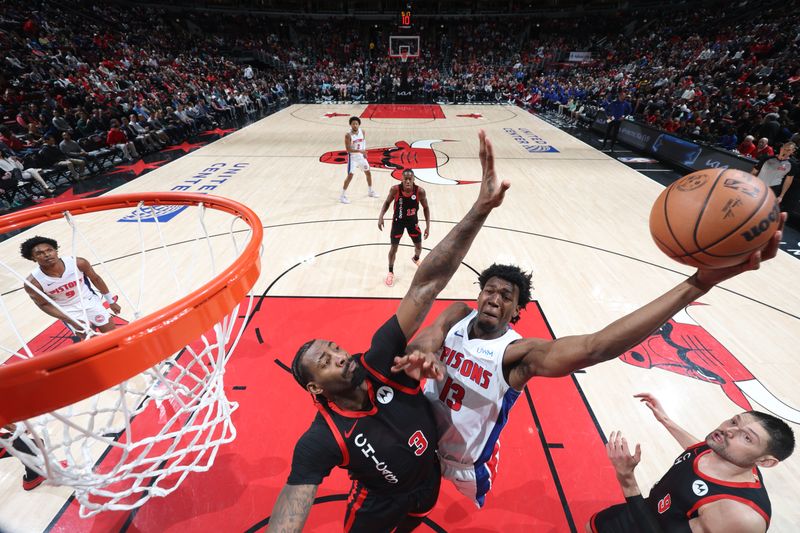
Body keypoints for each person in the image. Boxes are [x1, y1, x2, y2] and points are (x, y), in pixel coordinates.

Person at [392, 213, 785, 509]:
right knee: (405, 498)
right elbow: (430, 333)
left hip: (465, 461)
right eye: (489, 290)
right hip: (420, 436)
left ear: (515, 312)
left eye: (506, 296)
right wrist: (425, 349)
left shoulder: (520, 355)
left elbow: (598, 346)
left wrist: (695, 284)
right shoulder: (457, 315)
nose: (494, 298)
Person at [268, 131, 509, 532]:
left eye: (335, 348)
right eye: (325, 361)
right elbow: (294, 500)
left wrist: (480, 209)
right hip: (378, 504)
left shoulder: (380, 360)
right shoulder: (322, 437)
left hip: (428, 484)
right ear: (315, 388)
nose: (341, 356)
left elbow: (426, 286)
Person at [587, 393, 795, 533]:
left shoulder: (739, 514)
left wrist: (627, 480)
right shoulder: (724, 451)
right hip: (643, 511)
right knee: (590, 526)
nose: (728, 431)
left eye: (747, 437)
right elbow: (696, 449)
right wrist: (666, 421)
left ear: (765, 462)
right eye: (734, 421)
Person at [21, 236, 122, 340]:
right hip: (67, 310)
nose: (46, 254)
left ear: (56, 251)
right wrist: (70, 319)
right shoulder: (33, 283)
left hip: (89, 300)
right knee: (90, 340)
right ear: (32, 258)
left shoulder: (78, 263)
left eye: (49, 250)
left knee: (112, 334)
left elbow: (96, 279)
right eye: (39, 253)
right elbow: (44, 304)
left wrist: (111, 301)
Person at [377, 169, 431, 288]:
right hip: (398, 222)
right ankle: (390, 272)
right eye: (405, 178)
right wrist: (381, 216)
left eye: (409, 179)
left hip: (412, 222)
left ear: (413, 179)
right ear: (401, 179)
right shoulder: (395, 190)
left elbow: (426, 208)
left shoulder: (420, 191)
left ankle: (415, 258)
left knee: (419, 247)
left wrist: (428, 225)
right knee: (394, 248)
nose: (407, 181)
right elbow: (387, 202)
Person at [340, 116, 377, 204]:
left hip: (360, 156)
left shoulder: (362, 131)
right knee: (350, 176)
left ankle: (370, 191)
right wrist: (360, 151)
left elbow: (363, 142)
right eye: (353, 124)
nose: (355, 125)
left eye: (356, 124)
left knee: (368, 172)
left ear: (359, 124)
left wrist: (364, 152)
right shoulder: (348, 135)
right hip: (352, 158)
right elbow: (348, 150)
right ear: (350, 125)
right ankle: (342, 196)